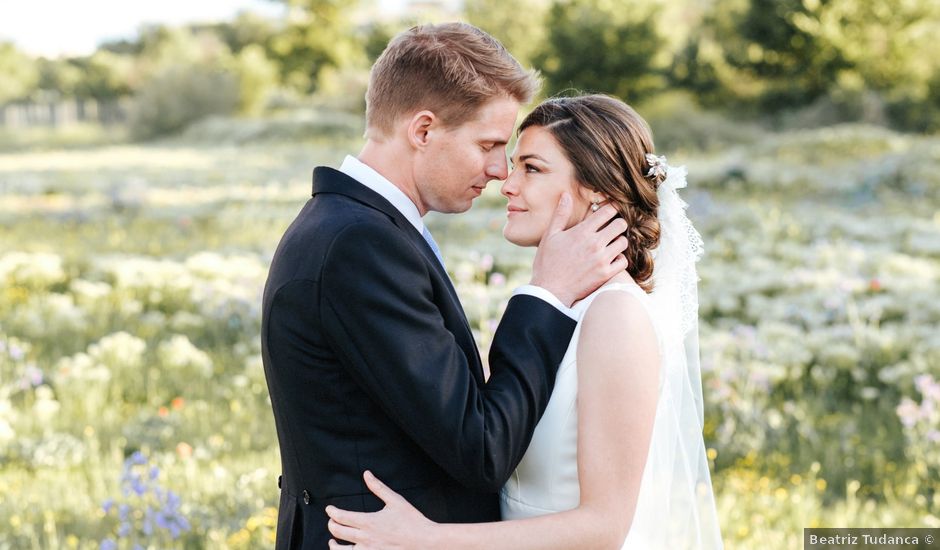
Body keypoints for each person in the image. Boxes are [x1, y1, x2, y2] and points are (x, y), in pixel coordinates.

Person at [260, 25, 629, 549]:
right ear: (424, 130)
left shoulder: (358, 228)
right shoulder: (359, 245)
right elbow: (480, 448)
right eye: (489, 144)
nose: (500, 172)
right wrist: (544, 293)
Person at [324, 95, 724, 548]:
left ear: (598, 191)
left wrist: (428, 539)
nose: (506, 184)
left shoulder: (616, 315)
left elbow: (605, 526)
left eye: (531, 169)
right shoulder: (555, 305)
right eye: (513, 166)